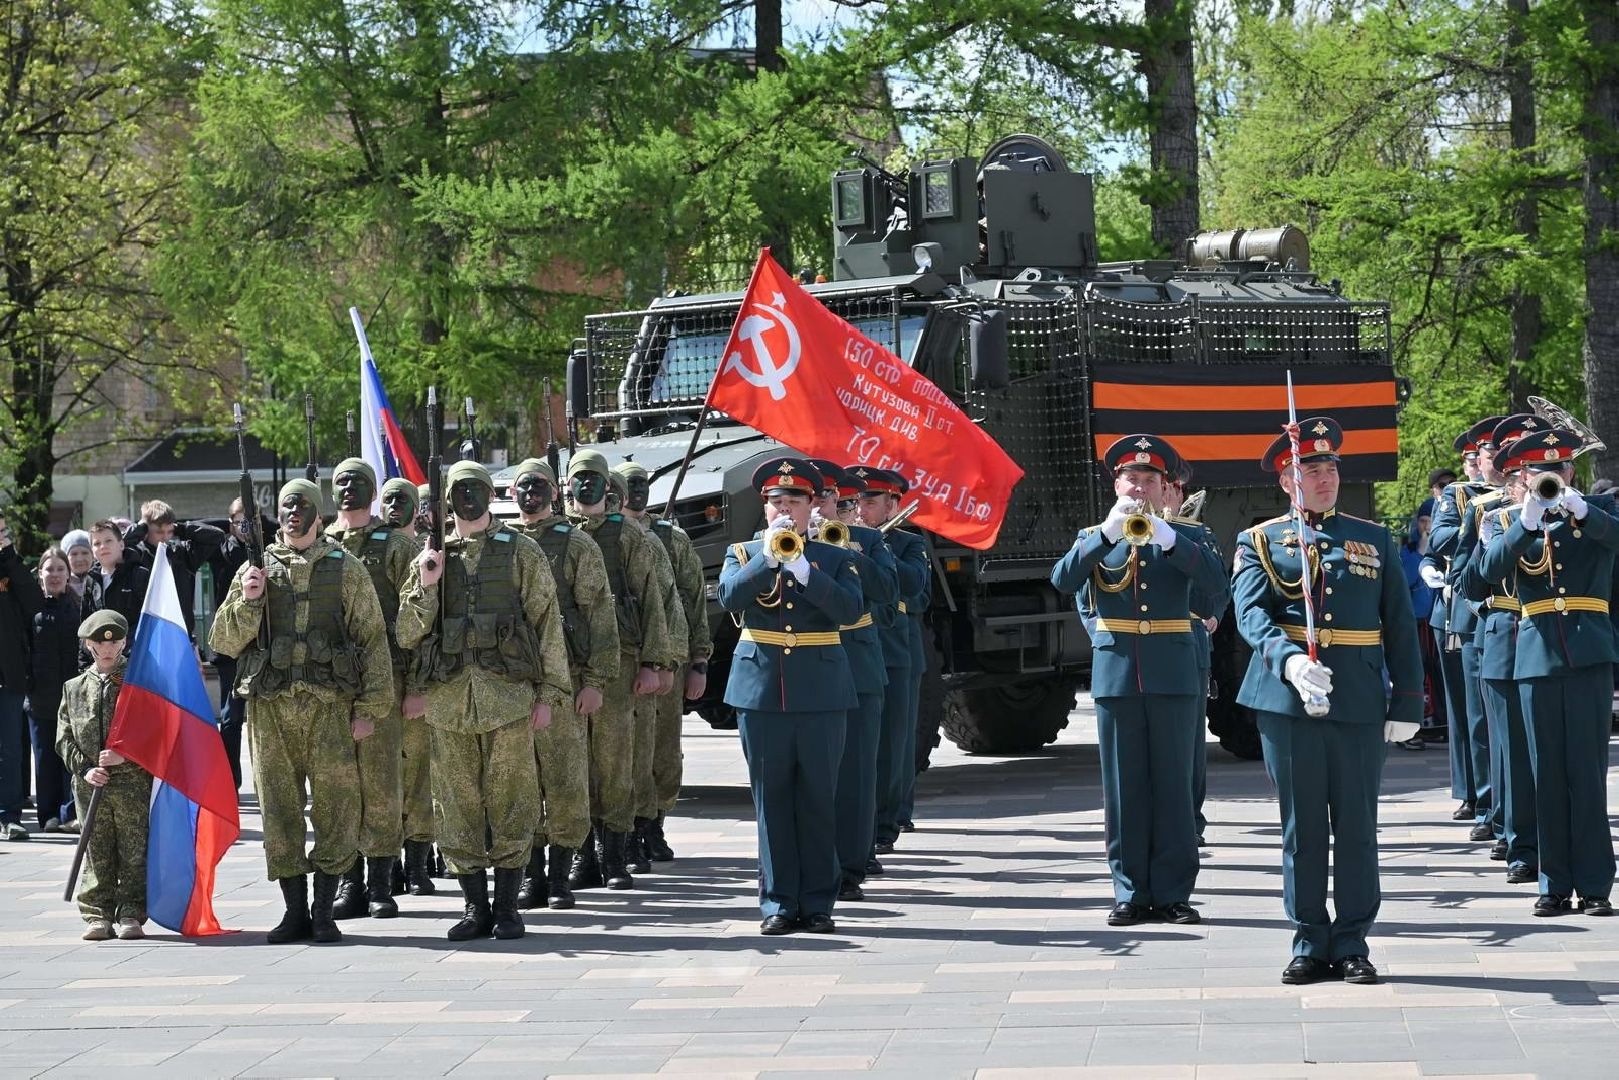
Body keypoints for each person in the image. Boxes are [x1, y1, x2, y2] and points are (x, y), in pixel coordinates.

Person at [1232, 416, 1423, 985]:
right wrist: (1287, 660)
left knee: (1359, 827)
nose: (1326, 477)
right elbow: (1250, 614)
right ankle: (1309, 939)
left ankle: (1353, 941)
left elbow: (1399, 624)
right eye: (1312, 468)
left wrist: (1408, 701)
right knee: (1303, 826)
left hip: (1360, 698)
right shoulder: (1260, 540)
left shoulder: (1373, 538)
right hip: (1288, 700)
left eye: (1331, 466)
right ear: (1287, 480)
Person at [209, 478, 395, 945]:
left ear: (317, 513)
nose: (293, 513)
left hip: (329, 706)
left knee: (336, 808)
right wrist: (250, 601)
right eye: (287, 506)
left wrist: (371, 707)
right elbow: (223, 640)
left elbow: (372, 640)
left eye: (301, 506)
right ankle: (294, 910)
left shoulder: (344, 568)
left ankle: (324, 909)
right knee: (279, 810)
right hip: (272, 708)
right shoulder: (256, 568)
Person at [1051, 435, 1227, 928]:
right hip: (1118, 676)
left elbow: (1216, 583)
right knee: (1124, 790)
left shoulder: (1188, 536)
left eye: (1151, 480)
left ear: (1165, 486)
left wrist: (1169, 539)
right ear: (1116, 483)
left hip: (1173, 672)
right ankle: (1128, 891)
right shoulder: (1095, 533)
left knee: (1174, 787)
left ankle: (1173, 893)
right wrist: (1106, 536)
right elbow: (1063, 581)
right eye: (1132, 478)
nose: (1141, 487)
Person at [395, 461, 573, 941]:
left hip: (509, 698)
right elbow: (408, 632)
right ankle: (475, 907)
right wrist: (428, 587)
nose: (467, 497)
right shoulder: (429, 558)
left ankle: (508, 907)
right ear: (446, 500)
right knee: (456, 806)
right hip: (450, 703)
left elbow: (546, 624)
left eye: (476, 489)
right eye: (459, 490)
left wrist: (550, 695)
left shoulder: (521, 552)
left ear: (490, 495)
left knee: (513, 802)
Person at [1476, 426, 1618, 917]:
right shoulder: (1505, 521)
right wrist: (1526, 523)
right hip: (1534, 657)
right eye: (1539, 472)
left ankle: (1597, 884)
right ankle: (1554, 883)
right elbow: (1484, 573)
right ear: (1523, 476)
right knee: (1546, 776)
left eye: (1557, 470)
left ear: (1571, 472)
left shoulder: (1602, 512)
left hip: (1589, 654)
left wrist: (1583, 510)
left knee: (1587, 774)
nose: (1550, 478)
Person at [719, 457, 863, 934]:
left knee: (819, 797)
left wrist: (804, 569)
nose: (783, 509)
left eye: (792, 501)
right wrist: (768, 559)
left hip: (820, 691)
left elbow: (849, 610)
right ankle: (778, 902)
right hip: (761, 693)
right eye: (774, 502)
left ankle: (819, 901)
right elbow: (728, 598)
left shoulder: (836, 557)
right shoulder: (743, 553)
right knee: (772, 799)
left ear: (812, 506)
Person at [507, 458, 618, 911]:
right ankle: (530, 876)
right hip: (513, 682)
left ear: (555, 492)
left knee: (565, 780)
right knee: (519, 782)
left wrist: (594, 680)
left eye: (538, 486)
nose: (529, 494)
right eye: (522, 487)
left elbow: (598, 616)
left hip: (566, 679)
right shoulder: (503, 544)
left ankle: (559, 876)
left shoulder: (576, 545)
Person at [563, 450, 674, 892]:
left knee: (614, 761)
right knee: (573, 764)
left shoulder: (628, 536)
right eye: (579, 478)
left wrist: (653, 662)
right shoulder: (556, 535)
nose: (586, 486)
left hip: (621, 661)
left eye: (595, 478)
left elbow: (653, 602)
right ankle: (581, 853)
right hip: (569, 661)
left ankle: (614, 856)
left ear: (608, 487)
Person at [323, 459, 419, 920]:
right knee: (339, 786)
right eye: (339, 483)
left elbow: (422, 617)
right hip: (331, 684)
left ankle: (381, 882)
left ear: (373, 491)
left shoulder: (398, 545)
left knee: (381, 784)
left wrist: (417, 685)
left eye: (357, 483)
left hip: (387, 679)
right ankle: (348, 882)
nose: (347, 491)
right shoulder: (320, 545)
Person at [809, 460, 896, 900]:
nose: (826, 506)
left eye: (832, 499)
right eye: (819, 497)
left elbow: (890, 592)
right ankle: (814, 864)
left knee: (856, 774)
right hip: (811, 668)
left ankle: (850, 865)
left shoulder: (867, 539)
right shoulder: (784, 544)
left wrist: (857, 560)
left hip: (857, 667)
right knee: (814, 775)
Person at [1460, 415, 1538, 885]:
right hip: (1506, 630)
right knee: (1509, 748)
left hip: (1554, 636)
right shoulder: (1493, 515)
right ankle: (1517, 837)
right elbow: (1470, 574)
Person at [1420, 419, 1501, 828]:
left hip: (1499, 610)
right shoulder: (1459, 495)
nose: (1480, 463)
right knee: (1465, 711)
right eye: (1482, 456)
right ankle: (1474, 792)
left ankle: (1492, 798)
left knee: (1487, 713)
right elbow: (1440, 539)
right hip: (1461, 609)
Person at [609, 464, 686, 875]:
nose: (634, 493)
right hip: (616, 663)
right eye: (627, 486)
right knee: (626, 755)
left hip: (660, 657)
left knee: (660, 751)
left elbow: (678, 603)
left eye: (641, 484)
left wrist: (680, 661)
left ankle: (654, 823)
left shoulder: (666, 539)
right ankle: (629, 831)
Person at [56, 610, 151, 941]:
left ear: (124, 642)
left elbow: (156, 732)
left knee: (133, 848)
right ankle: (97, 913)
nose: (107, 649)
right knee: (96, 849)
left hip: (131, 784)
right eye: (99, 643)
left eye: (114, 642)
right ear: (88, 644)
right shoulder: (74, 688)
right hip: (90, 784)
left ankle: (131, 912)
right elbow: (64, 737)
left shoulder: (140, 685)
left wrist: (127, 755)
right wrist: (85, 769)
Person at [853, 467, 928, 857]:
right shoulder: (841, 539)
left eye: (869, 501)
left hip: (897, 650)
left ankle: (888, 819)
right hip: (858, 651)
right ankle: (865, 820)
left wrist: (874, 554)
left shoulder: (908, 543)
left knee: (893, 742)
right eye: (856, 501)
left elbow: (917, 591)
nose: (861, 508)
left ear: (892, 505)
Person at [377, 476, 436, 894]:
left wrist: (417, 686)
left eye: (403, 499)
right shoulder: (368, 547)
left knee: (417, 774)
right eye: (389, 499)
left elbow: (425, 629)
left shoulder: (419, 554)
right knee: (381, 776)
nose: (395, 506)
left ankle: (417, 863)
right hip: (372, 679)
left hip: (408, 675)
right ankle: (385, 864)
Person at [1163, 463, 1227, 831]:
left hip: (1189, 642)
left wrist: (1214, 614)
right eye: (1164, 486)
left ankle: (1191, 820)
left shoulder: (1199, 534)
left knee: (1189, 742)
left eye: (1173, 487)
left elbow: (1219, 584)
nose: (1170, 494)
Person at [29, 548, 81, 833]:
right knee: (45, 758)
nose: (55, 575)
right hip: (40, 698)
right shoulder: (31, 607)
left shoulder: (78, 607)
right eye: (50, 569)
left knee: (70, 757)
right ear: (40, 574)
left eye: (61, 569)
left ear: (68, 574)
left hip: (73, 698)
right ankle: (48, 814)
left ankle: (70, 812)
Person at [0, 511, 44, 840]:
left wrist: (10, 556)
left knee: (11, 749)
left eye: (2, 531)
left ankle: (10, 814)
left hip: (8, 675)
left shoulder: (11, 567)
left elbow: (33, 602)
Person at [123, 501, 225, 641]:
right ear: (146, 531)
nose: (165, 537)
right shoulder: (136, 554)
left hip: (179, 632)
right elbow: (120, 545)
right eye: (159, 532)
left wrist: (182, 529)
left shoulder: (182, 553)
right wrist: (140, 528)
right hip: (146, 634)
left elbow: (217, 536)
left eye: (170, 531)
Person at [82, 520, 149, 649]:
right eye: (97, 543)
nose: (103, 546)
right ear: (92, 551)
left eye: (108, 541)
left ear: (121, 545)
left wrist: (120, 648)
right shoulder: (90, 580)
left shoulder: (140, 575)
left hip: (134, 656)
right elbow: (85, 626)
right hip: (100, 659)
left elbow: (148, 622)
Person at [61, 530, 93, 599]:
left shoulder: (101, 582)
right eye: (74, 554)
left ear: (93, 555)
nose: (80, 559)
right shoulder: (59, 585)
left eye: (85, 553)